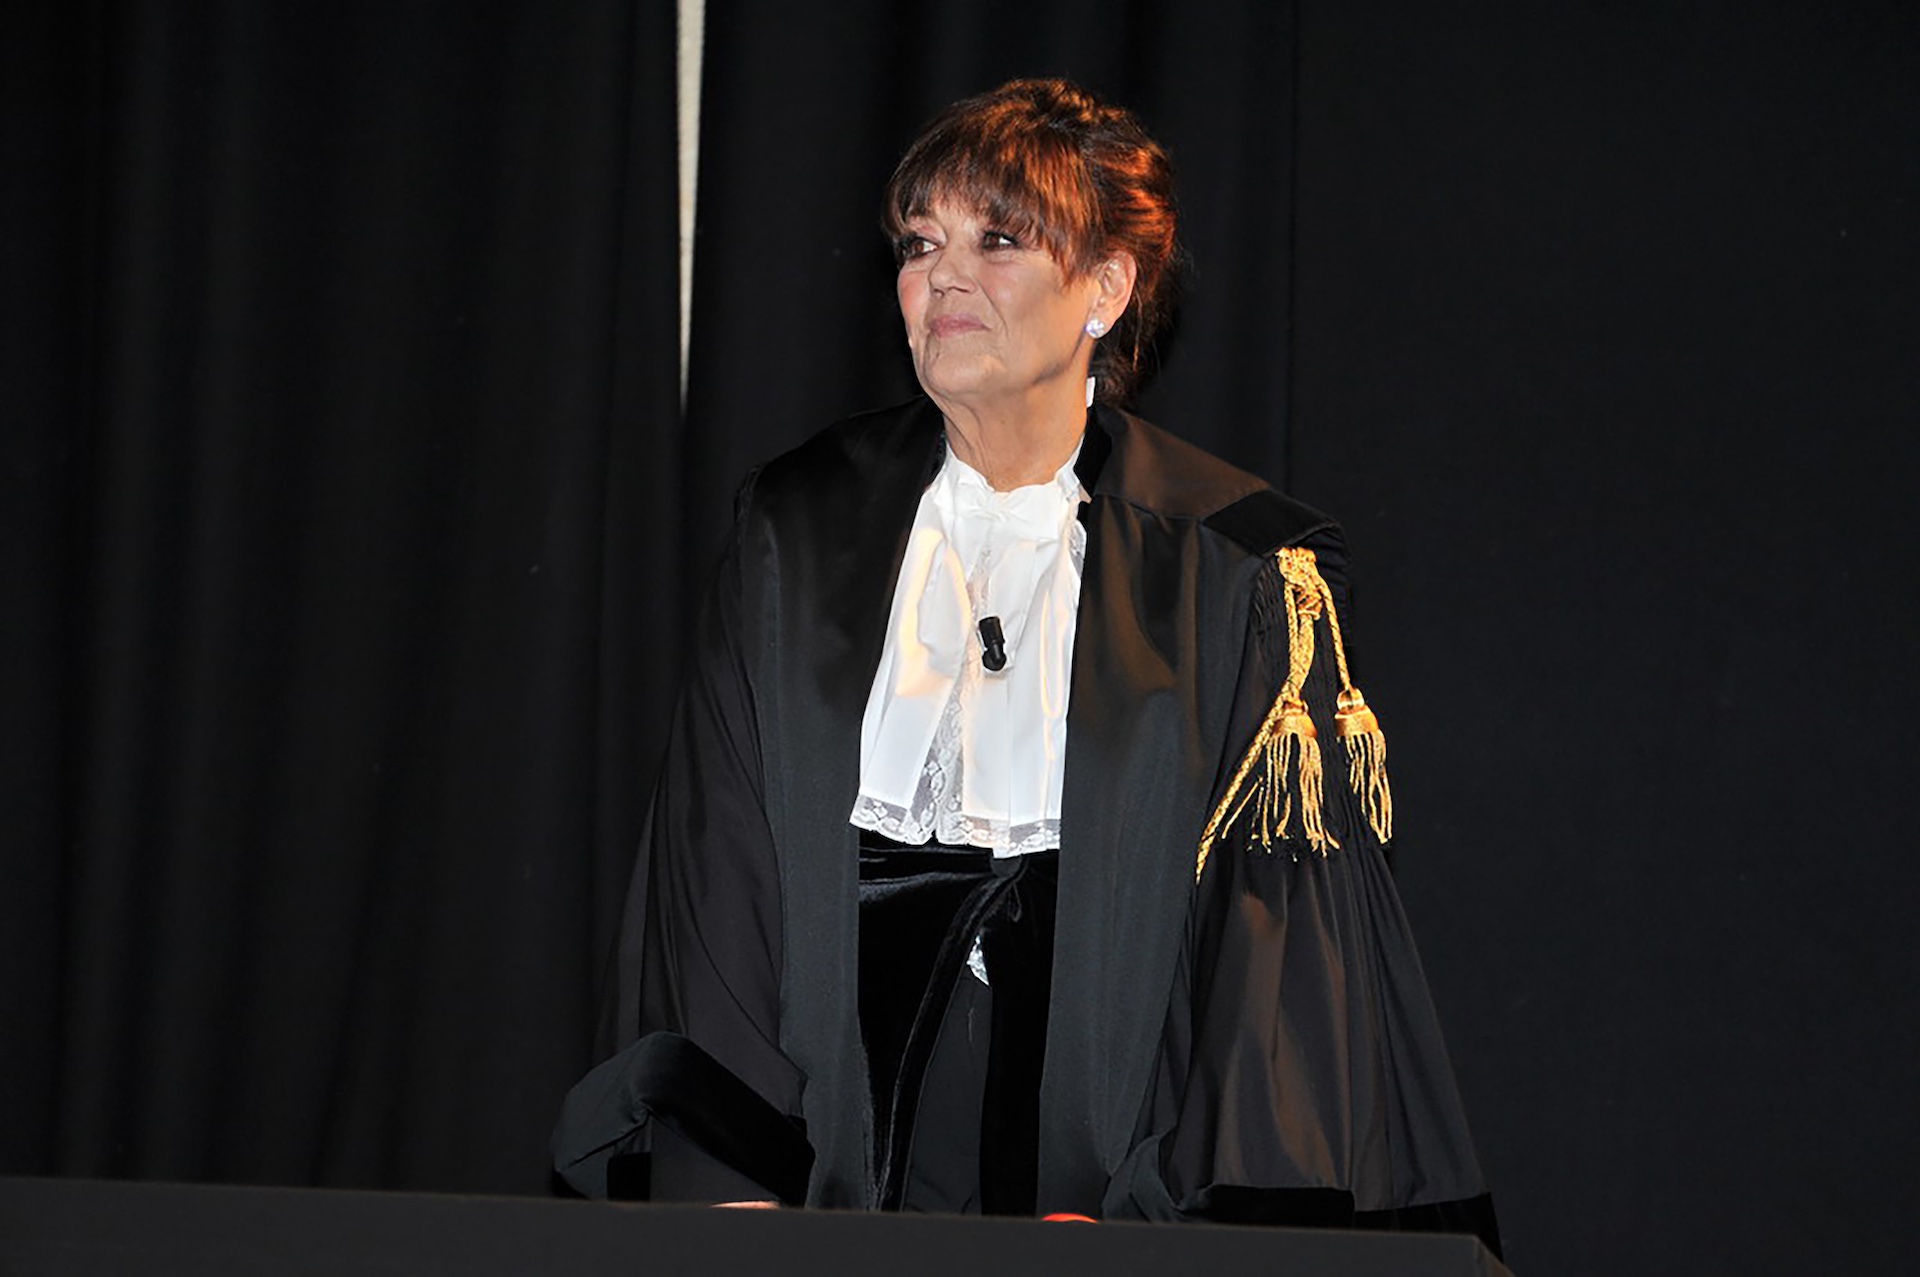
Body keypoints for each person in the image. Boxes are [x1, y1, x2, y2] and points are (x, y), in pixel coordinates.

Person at [553, 78, 1497, 1250]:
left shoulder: (1236, 569)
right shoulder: (798, 529)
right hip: (828, 1168)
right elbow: (717, 875)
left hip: (1120, 1194)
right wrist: (734, 1192)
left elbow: (1271, 959)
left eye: (996, 240)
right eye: (920, 243)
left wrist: (1167, 1226)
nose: (942, 277)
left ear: (1105, 288)